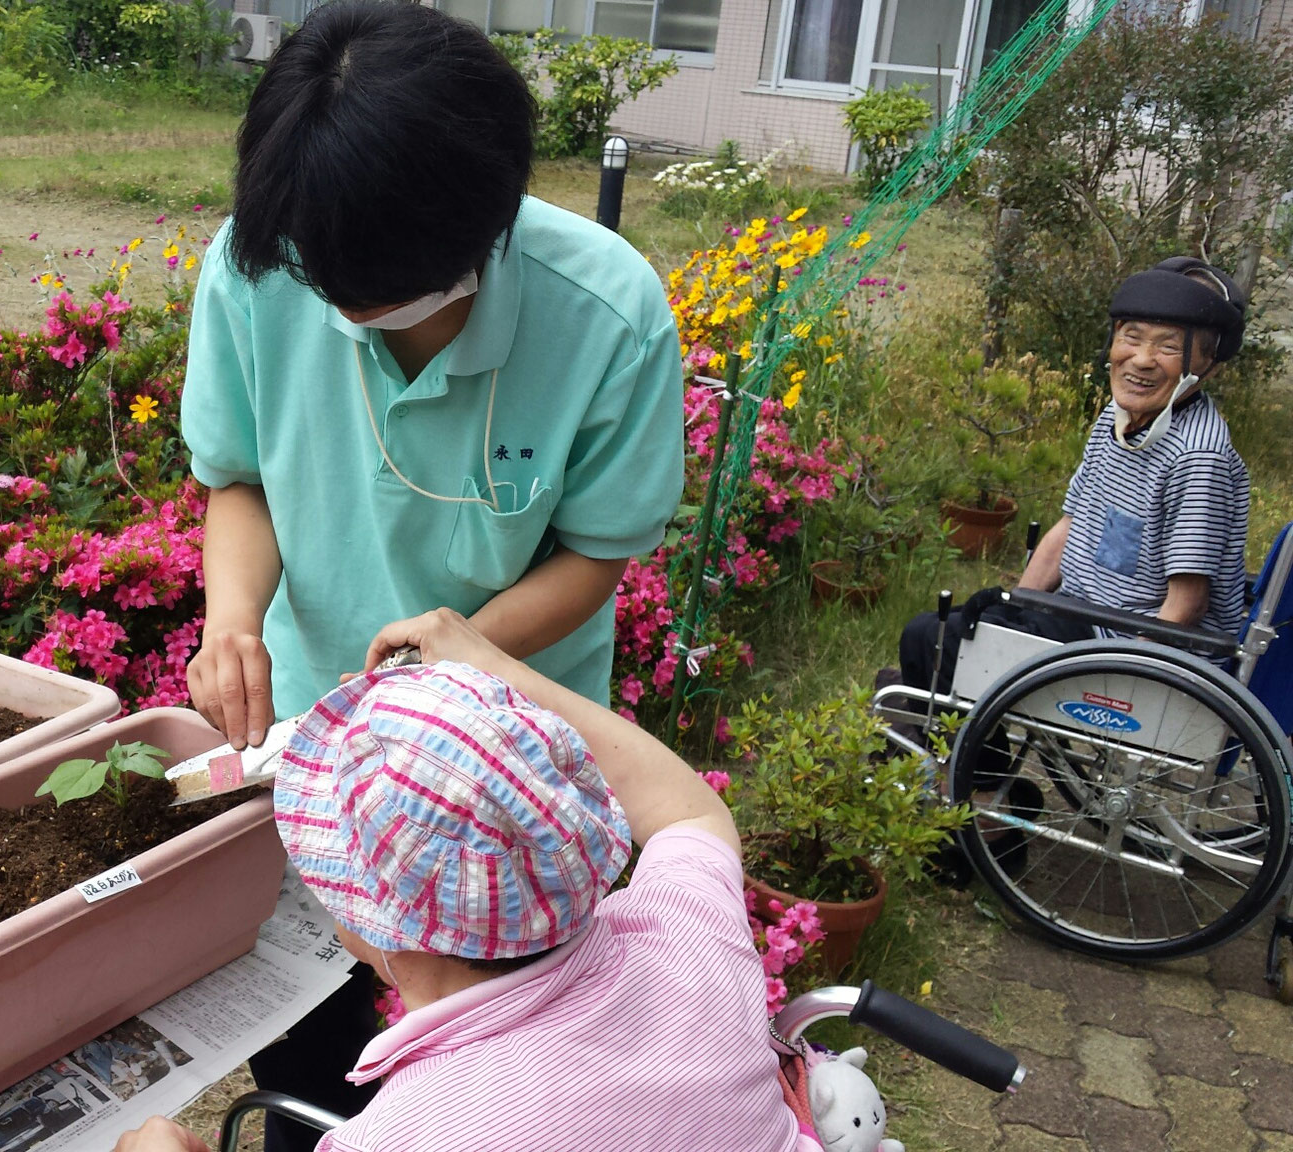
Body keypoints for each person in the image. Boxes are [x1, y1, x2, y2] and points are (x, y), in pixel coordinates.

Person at [179, 5, 685, 1138]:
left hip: (502, 778)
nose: (346, 318)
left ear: (487, 221)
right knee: (313, 1060)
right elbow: (242, 478)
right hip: (317, 765)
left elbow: (595, 554)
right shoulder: (261, 264)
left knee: (512, 1082)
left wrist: (455, 652)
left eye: (375, 297)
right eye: (326, 291)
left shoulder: (606, 315)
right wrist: (231, 620)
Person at [113, 610, 810, 1152]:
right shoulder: (684, 938)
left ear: (381, 924)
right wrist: (497, 664)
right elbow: (687, 810)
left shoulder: (409, 1134)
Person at [896, 256, 1252, 697]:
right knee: (945, 633)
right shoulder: (1117, 417)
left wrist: (1121, 681)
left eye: (1168, 346)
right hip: (1081, 619)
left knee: (927, 640)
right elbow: (1071, 526)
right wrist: (1015, 610)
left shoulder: (1199, 457)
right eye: (1131, 337)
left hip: (1129, 651)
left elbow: (1188, 604)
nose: (1141, 360)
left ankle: (981, 766)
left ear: (1208, 363)